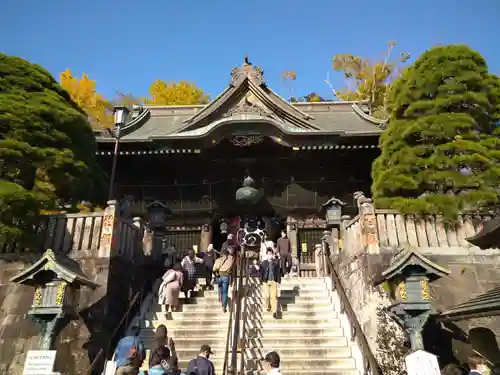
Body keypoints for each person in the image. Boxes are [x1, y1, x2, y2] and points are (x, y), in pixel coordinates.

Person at [260, 248, 281, 319]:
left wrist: (278, 281)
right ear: (266, 255)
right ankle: (268, 306)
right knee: (267, 296)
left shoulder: (276, 263)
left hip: (273, 281)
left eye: (271, 254)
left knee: (274, 297)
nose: (270, 255)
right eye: (268, 254)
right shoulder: (264, 263)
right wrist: (261, 280)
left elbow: (278, 273)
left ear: (273, 255)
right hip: (266, 281)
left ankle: (274, 311)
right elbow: (261, 272)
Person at [213, 248, 235, 313]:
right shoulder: (231, 259)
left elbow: (214, 269)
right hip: (226, 276)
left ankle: (220, 297)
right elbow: (233, 258)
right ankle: (224, 307)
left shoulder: (218, 260)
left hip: (219, 276)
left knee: (220, 287)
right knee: (225, 292)